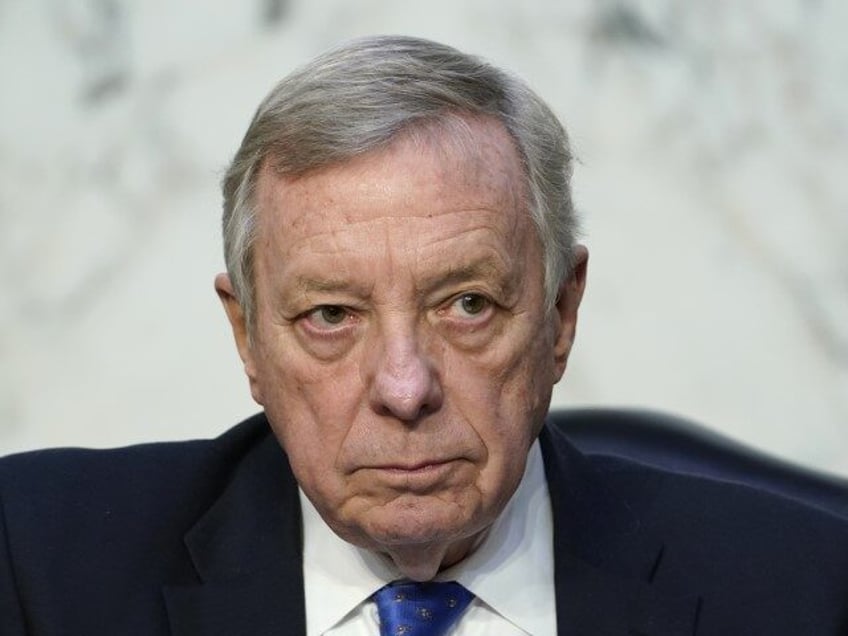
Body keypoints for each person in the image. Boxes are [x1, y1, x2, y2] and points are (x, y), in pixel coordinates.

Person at [1, 35, 847, 636]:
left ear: (559, 315)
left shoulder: (804, 589)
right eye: (330, 315)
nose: (405, 389)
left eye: (467, 304)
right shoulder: (36, 566)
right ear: (248, 336)